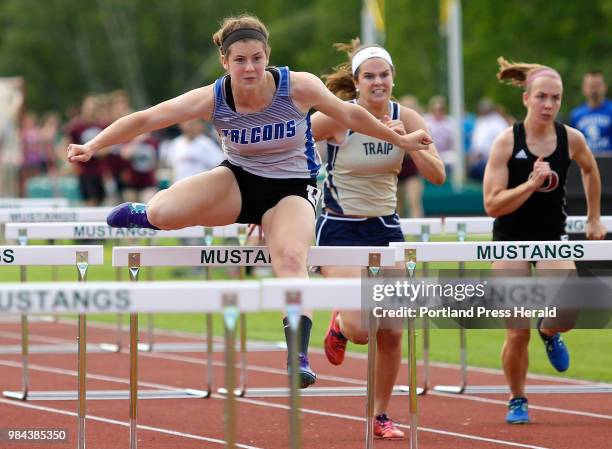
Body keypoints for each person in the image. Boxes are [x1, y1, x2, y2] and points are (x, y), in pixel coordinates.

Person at [66, 14, 432, 389]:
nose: (250, 68)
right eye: (240, 60)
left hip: (291, 189)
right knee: (163, 210)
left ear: (267, 55)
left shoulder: (297, 87)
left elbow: (350, 113)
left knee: (290, 259)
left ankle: (297, 354)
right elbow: (148, 118)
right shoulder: (215, 97)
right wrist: (93, 146)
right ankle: (151, 216)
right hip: (239, 181)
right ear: (226, 62)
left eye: (257, 58)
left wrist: (401, 141)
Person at [311, 40, 445, 438]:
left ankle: (380, 415)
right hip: (339, 228)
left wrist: (409, 142)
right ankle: (339, 324)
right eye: (369, 76)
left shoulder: (407, 115)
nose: (378, 82)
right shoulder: (339, 117)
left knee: (392, 331)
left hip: (386, 228)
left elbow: (436, 174)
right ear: (356, 82)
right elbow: (293, 140)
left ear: (392, 78)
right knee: (361, 328)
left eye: (384, 74)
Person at [483, 57, 607, 424]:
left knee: (568, 313)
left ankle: (549, 330)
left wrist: (596, 218)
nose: (548, 105)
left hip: (552, 236)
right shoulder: (507, 143)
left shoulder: (572, 139)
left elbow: (590, 169)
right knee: (515, 330)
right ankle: (517, 398)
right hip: (510, 240)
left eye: (555, 98)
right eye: (541, 97)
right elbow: (492, 204)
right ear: (526, 99)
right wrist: (530, 185)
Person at [397, 95, 425, 218]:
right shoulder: (394, 123)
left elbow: (422, 147)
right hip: (395, 170)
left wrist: (407, 144)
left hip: (411, 170)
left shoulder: (418, 126)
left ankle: (419, 234)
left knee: (414, 203)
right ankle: (399, 235)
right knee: (397, 206)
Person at [570, 71, 612, 152]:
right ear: (584, 88)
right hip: (586, 161)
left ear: (605, 87)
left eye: (597, 86)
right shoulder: (576, 114)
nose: (594, 90)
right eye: (591, 86)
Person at [468, 98, 509, 181]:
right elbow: (476, 140)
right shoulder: (480, 120)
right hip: (478, 160)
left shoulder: (498, 121)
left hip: (492, 159)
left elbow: (505, 139)